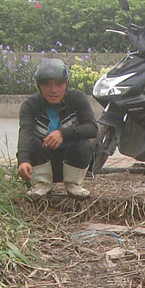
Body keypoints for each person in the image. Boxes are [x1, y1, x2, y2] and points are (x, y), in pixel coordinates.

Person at [17, 58, 98, 199]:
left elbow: (92, 128)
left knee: (84, 144)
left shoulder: (77, 98)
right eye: (47, 85)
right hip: (44, 160)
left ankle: (73, 185)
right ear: (39, 86)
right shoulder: (30, 105)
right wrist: (23, 160)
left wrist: (63, 133)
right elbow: (26, 133)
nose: (53, 90)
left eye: (59, 84)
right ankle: (43, 185)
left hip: (71, 160)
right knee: (33, 143)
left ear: (66, 85)